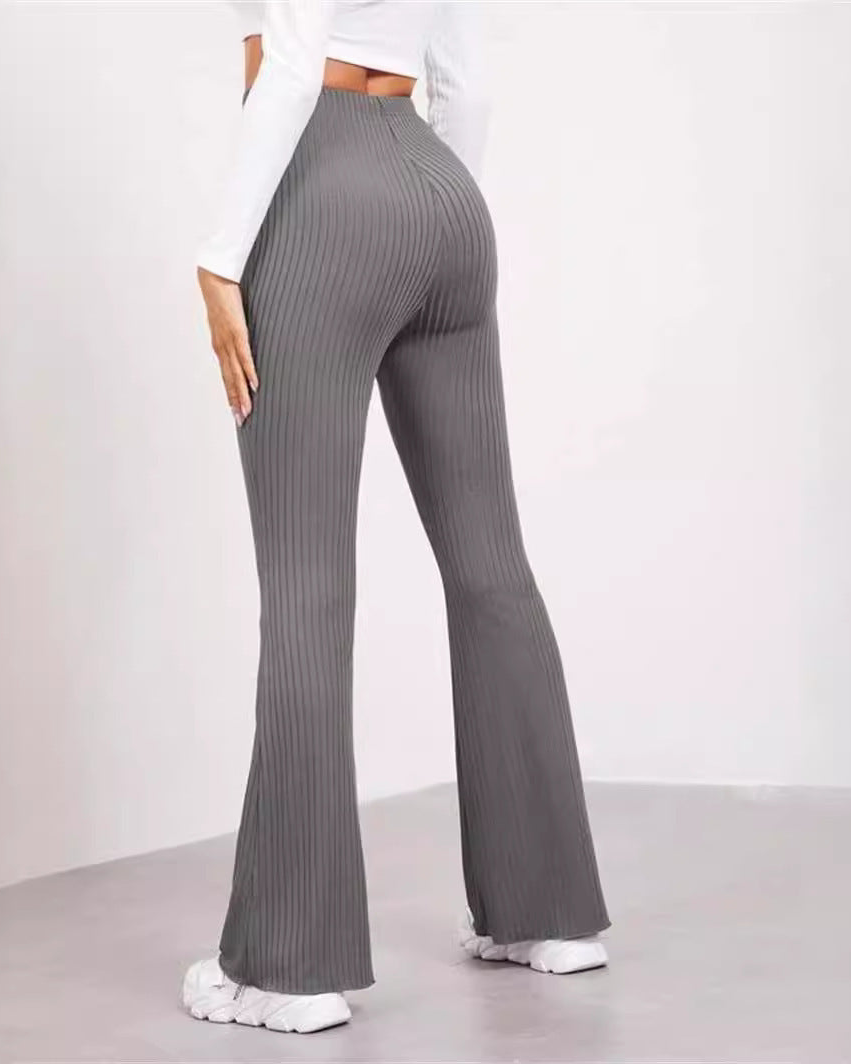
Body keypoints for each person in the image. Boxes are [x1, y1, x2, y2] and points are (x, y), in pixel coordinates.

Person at [181, 0, 611, 1035]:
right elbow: (467, 84)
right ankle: (549, 916)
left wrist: (220, 255)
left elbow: (292, 63)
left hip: (317, 190)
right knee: (490, 563)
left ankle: (288, 966)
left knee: (307, 586)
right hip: (442, 197)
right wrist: (427, 213)